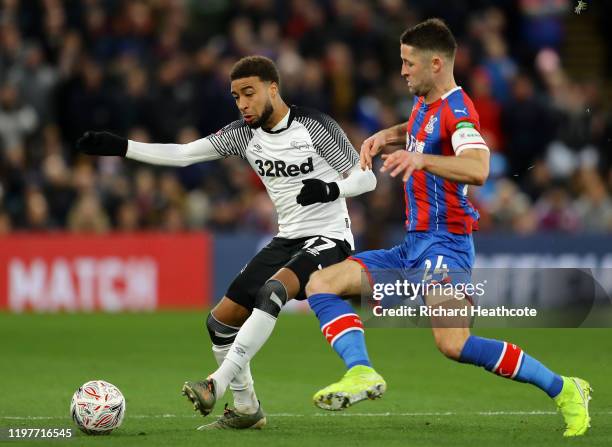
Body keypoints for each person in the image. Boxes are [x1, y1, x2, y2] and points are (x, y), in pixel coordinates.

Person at [304, 19, 591, 437]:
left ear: (435, 64)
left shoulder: (459, 110)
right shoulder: (425, 102)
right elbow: (420, 131)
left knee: (453, 344)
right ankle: (362, 372)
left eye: (408, 63)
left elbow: (479, 167)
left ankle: (565, 388)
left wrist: (422, 161)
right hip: (412, 246)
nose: (401, 71)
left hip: (447, 245)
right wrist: (389, 135)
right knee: (321, 284)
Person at [76, 55, 386, 430]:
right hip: (287, 239)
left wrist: (330, 188)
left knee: (273, 290)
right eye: (236, 96)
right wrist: (122, 147)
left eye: (249, 93)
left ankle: (216, 382)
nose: (242, 104)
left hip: (330, 238)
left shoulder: (313, 127)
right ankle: (245, 408)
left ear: (273, 89)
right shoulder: (244, 134)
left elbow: (366, 179)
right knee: (220, 321)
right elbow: (185, 154)